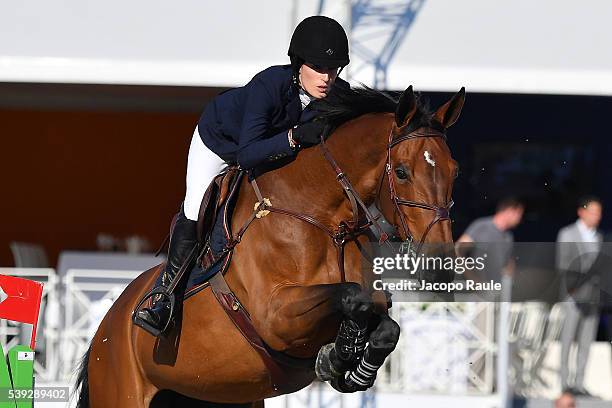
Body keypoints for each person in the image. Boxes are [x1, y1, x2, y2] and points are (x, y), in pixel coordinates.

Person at [134, 16, 351, 336]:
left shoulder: (336, 94)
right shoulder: (269, 86)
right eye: (319, 68)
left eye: (333, 69)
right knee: (196, 209)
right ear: (299, 64)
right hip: (220, 144)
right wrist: (293, 137)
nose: (327, 78)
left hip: (270, 152)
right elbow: (247, 154)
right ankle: (165, 297)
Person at [556, 196, 603, 397]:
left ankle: (579, 383)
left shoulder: (599, 237)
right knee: (568, 338)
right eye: (593, 212)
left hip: (594, 295)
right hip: (573, 295)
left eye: (599, 213)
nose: (597, 217)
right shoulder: (567, 234)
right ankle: (564, 384)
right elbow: (563, 264)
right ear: (581, 211)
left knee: (586, 340)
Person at [456, 196, 524, 284]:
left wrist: (509, 273)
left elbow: (508, 263)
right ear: (510, 210)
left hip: (495, 292)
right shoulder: (481, 226)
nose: (520, 219)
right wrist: (472, 279)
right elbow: (456, 251)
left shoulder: (508, 236)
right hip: (473, 293)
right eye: (519, 213)